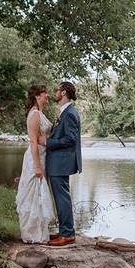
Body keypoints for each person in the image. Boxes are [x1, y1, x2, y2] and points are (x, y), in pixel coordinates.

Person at [15, 85, 56, 244]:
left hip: (43, 155)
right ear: (37, 96)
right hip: (35, 157)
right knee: (33, 193)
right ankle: (32, 234)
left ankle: (40, 232)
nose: (48, 96)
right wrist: (37, 166)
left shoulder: (40, 113)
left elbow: (43, 136)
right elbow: (33, 141)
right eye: (45, 94)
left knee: (40, 194)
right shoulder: (34, 114)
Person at [45, 81, 82, 246]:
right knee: (60, 197)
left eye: (57, 90)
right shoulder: (64, 112)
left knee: (62, 198)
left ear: (64, 92)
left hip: (61, 162)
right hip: (57, 161)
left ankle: (67, 234)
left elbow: (70, 139)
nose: (55, 93)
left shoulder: (70, 113)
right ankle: (64, 231)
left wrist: (48, 142)